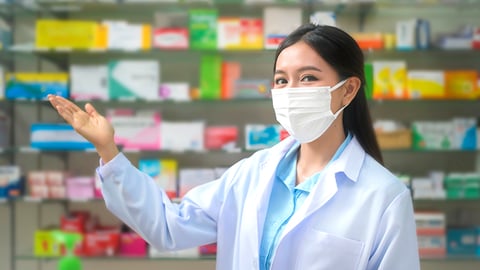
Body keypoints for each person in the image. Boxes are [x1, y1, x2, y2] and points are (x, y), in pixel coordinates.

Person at [48, 23, 420, 270]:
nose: (290, 92)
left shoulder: (383, 196)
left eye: (308, 78)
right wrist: (109, 152)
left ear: (348, 89)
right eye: (281, 80)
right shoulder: (253, 173)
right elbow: (169, 227)